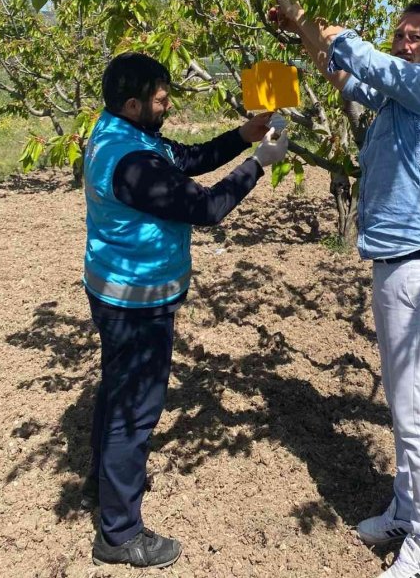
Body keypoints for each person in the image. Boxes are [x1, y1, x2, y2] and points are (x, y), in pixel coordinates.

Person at [272, 0, 420, 578]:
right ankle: (408, 512)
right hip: (396, 264)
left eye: (415, 36)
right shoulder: (398, 101)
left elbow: (364, 58)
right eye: (400, 34)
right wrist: (303, 35)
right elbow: (344, 73)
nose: (405, 42)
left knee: (416, 415)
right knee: (406, 408)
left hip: (418, 265)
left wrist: (305, 12)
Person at [81, 52, 288, 568]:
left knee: (116, 395)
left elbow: (187, 159)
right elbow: (206, 208)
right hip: (136, 303)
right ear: (133, 104)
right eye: (158, 96)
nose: (167, 100)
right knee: (135, 413)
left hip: (120, 292)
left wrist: (244, 134)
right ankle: (119, 534)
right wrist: (259, 164)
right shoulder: (130, 162)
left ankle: (105, 480)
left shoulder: (127, 134)